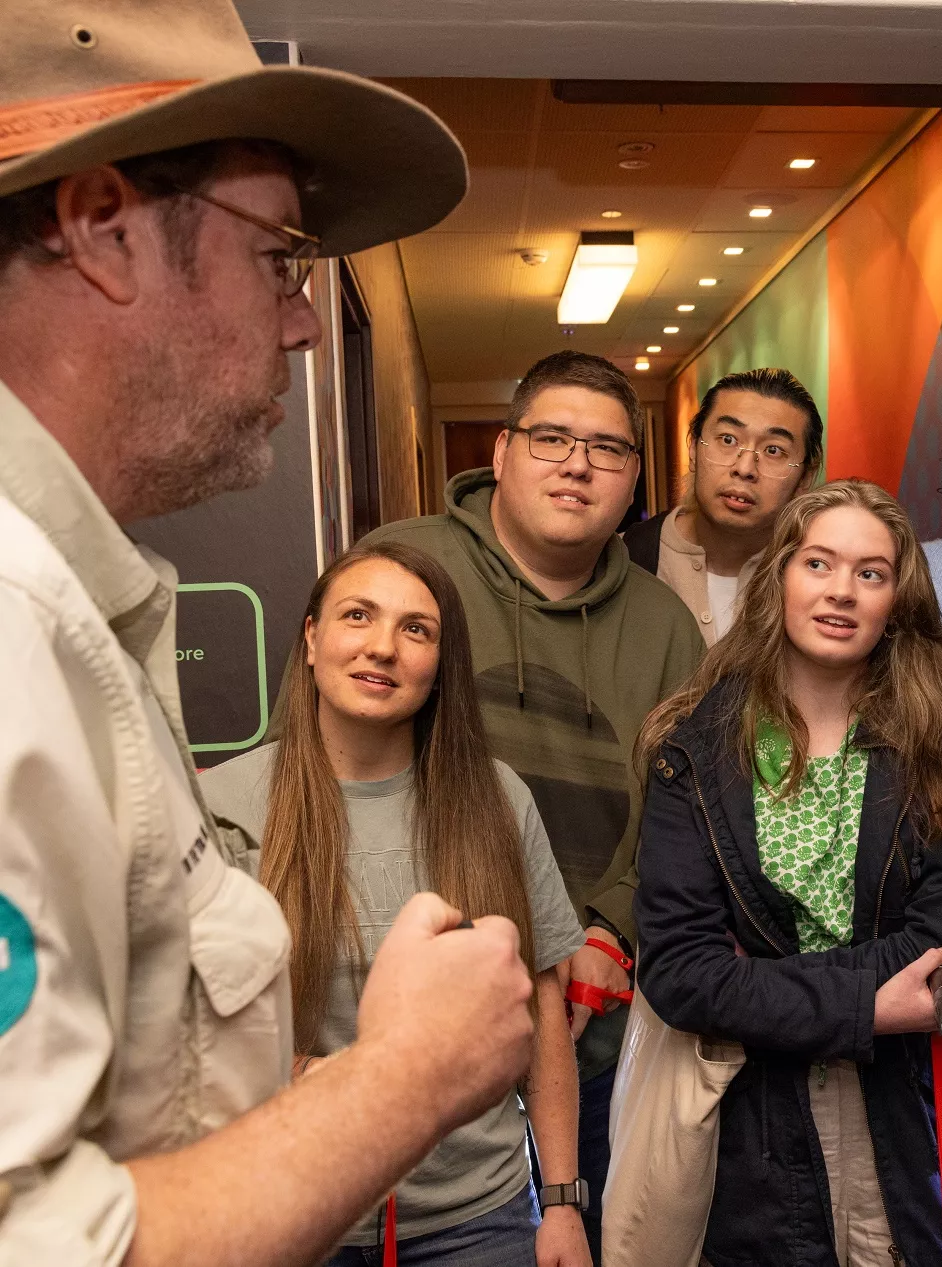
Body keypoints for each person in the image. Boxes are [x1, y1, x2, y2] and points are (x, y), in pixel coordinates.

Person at [0, 6, 537, 1265]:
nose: (300, 322)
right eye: (279, 258)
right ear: (101, 228)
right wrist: (405, 1075)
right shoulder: (14, 628)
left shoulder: (79, 613)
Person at [365, 350, 705, 1262]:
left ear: (636, 477)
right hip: (405, 998)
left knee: (571, 1238)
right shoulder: (405, 563)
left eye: (607, 448)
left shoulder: (665, 623)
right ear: (505, 448)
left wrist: (610, 930)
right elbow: (324, 760)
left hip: (589, 1018)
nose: (578, 464)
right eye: (553, 437)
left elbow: (682, 807)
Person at [200, 541, 591, 1266]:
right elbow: (193, 1032)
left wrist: (562, 1200)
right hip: (292, 1213)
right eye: (358, 616)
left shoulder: (497, 799)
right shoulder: (223, 808)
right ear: (312, 637)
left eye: (417, 629)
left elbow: (540, 1008)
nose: (383, 646)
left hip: (480, 1215)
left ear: (441, 664)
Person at [634, 478, 942, 1265]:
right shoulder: (694, 746)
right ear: (780, 576)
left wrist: (762, 981)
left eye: (870, 573)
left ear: (896, 599)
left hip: (890, 1125)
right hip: (745, 1128)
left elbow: (936, 948)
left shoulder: (934, 744)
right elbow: (679, 970)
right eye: (819, 563)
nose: (842, 590)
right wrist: (868, 1002)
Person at [624, 368, 823, 644]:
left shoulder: (822, 582)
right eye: (728, 439)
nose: (744, 468)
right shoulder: (623, 559)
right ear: (694, 449)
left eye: (774, 450)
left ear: (805, 477)